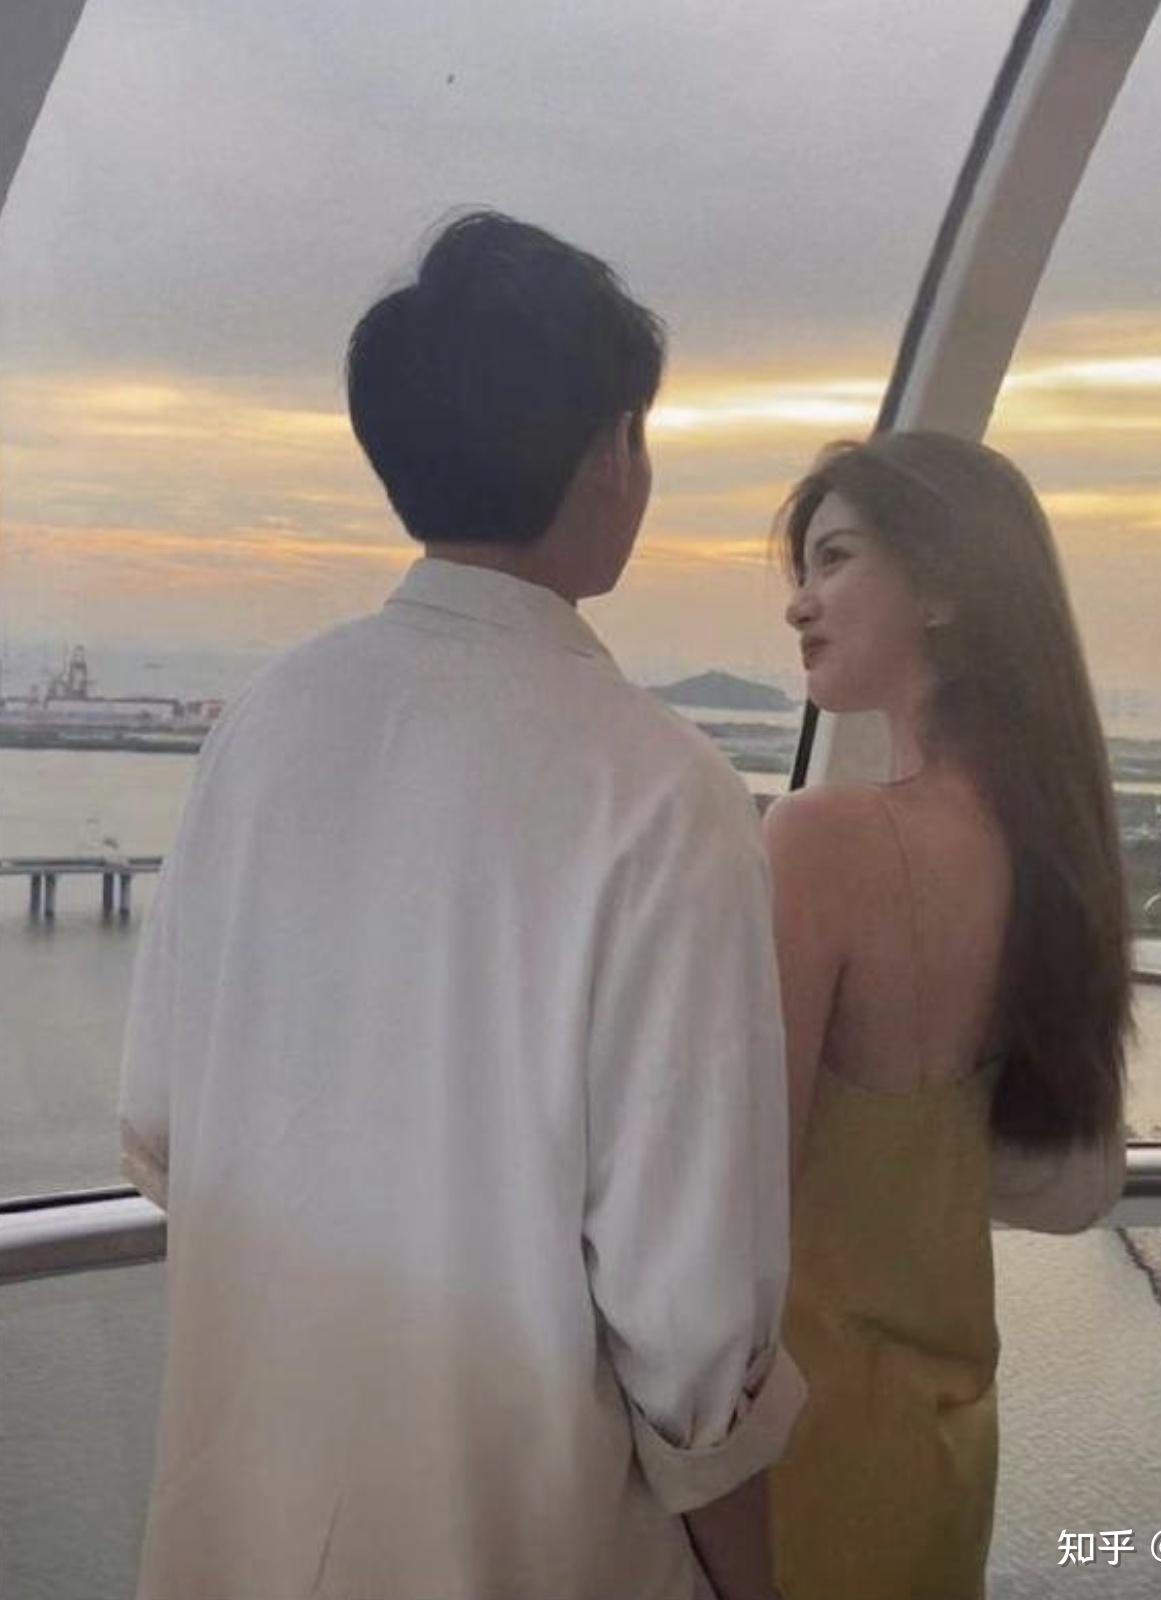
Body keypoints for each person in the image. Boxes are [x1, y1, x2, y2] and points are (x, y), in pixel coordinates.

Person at [117, 210, 804, 1600]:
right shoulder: (662, 794)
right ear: (610, 452)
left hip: (241, 1535)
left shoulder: (261, 727)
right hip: (530, 1548)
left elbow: (162, 1126)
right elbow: (689, 1326)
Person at [761, 431, 1130, 1599]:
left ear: (941, 585)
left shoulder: (824, 840)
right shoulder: (1050, 852)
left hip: (805, 1448)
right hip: (941, 1439)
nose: (798, 603)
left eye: (832, 559)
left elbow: (731, 1199)